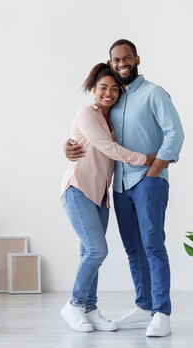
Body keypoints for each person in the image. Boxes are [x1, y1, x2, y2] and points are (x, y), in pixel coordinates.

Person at [65, 39, 184, 337]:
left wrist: (154, 170)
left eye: (126, 58)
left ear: (137, 59)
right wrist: (66, 146)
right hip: (117, 187)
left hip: (147, 182)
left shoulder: (154, 93)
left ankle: (161, 313)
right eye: (116, 59)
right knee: (133, 249)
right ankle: (144, 306)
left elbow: (175, 133)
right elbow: (95, 139)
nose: (121, 63)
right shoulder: (113, 100)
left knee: (153, 246)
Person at [60, 62, 156, 333]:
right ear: (93, 89)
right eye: (103, 87)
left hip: (100, 197)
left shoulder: (110, 121)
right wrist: (146, 160)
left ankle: (89, 309)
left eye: (114, 89)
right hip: (77, 190)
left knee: (87, 252)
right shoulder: (86, 114)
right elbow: (108, 148)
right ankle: (74, 304)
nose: (109, 93)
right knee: (96, 250)